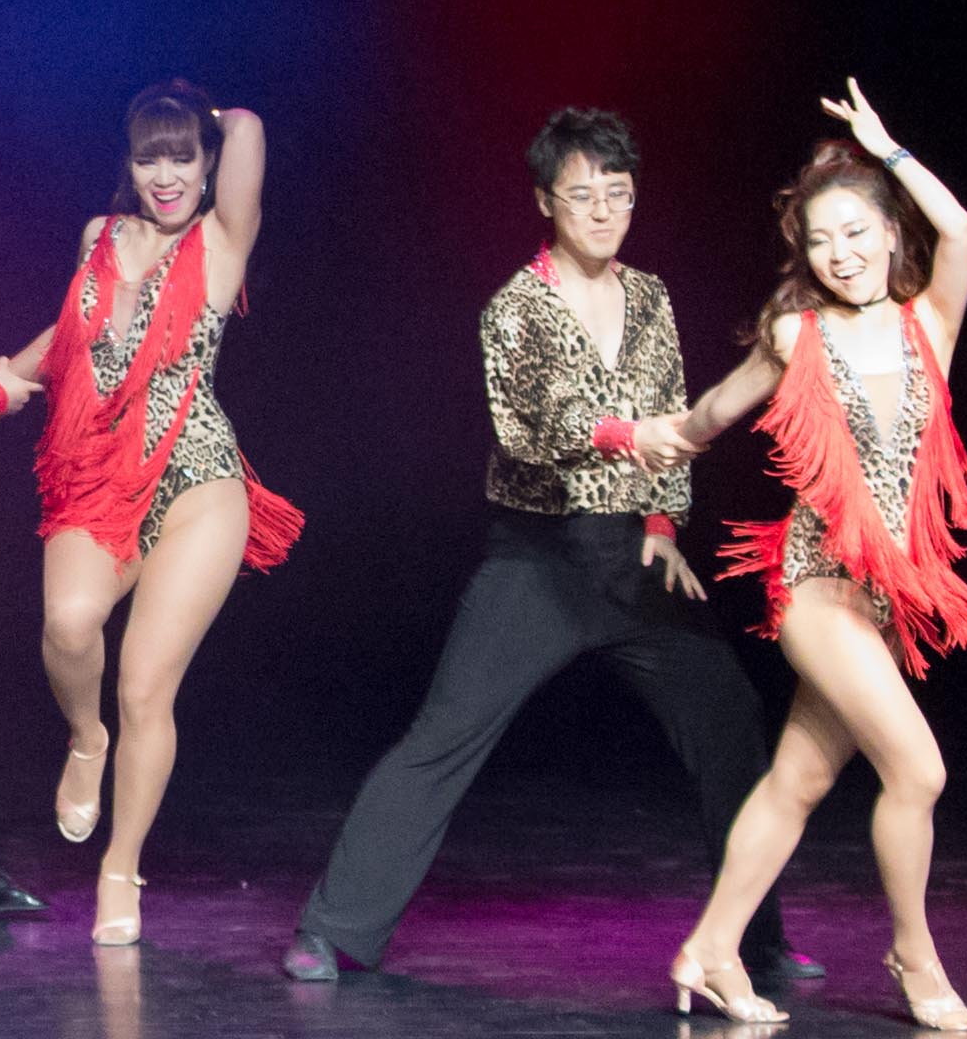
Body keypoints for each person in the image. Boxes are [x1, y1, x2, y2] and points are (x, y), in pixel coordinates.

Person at [285, 109, 809, 988]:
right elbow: (530, 427)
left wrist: (661, 525)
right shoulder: (515, 307)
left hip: (631, 553)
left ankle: (754, 938)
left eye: (619, 194)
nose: (604, 211)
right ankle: (332, 927)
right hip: (540, 557)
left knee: (730, 720)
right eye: (583, 195)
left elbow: (675, 407)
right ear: (545, 201)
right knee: (446, 733)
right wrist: (627, 434)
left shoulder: (650, 295)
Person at [652, 84, 967, 1031]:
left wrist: (890, 147)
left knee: (796, 783)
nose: (839, 254)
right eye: (820, 241)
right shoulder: (800, 332)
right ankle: (914, 955)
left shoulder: (930, 323)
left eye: (855, 233)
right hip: (815, 589)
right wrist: (659, 436)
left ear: (889, 231)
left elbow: (960, 228)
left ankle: (711, 947)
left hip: (882, 600)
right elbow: (716, 407)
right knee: (919, 771)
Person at [0, 81, 299, 948]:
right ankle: (87, 739)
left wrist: (196, 112)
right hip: (98, 473)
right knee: (70, 623)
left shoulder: (221, 239)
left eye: (182, 157)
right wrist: (4, 380)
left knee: (146, 684)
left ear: (206, 163)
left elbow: (249, 125)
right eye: (149, 156)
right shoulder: (100, 236)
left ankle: (121, 865)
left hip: (198, 480)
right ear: (128, 163)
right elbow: (72, 334)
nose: (166, 175)